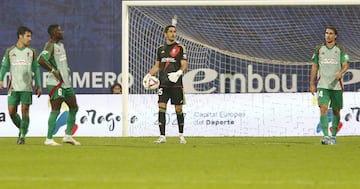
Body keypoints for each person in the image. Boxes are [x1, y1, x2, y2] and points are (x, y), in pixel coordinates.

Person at [143, 25, 187, 144]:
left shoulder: (180, 47)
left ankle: (181, 135)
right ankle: (162, 136)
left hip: (176, 84)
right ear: (165, 34)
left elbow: (184, 64)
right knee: (161, 107)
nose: (173, 34)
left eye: (174, 32)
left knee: (178, 108)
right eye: (171, 32)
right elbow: (157, 66)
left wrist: (178, 73)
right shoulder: (160, 49)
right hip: (163, 84)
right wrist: (148, 75)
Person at [38, 24, 80, 146]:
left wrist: (65, 68)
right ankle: (49, 139)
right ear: (53, 33)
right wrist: (53, 71)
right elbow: (41, 60)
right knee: (55, 109)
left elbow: (59, 62)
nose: (62, 32)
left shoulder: (61, 45)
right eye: (59, 30)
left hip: (66, 83)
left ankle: (68, 136)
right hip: (56, 84)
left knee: (74, 108)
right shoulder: (50, 45)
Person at [0, 26, 42, 144]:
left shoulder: (32, 52)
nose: (30, 39)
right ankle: (24, 128)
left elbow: (36, 69)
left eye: (30, 36)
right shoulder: (10, 51)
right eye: (28, 36)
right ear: (20, 36)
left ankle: (22, 136)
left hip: (26, 87)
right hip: (13, 87)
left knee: (25, 110)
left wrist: (39, 85)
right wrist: (0, 79)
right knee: (12, 112)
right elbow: (4, 66)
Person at [310, 26, 349, 145]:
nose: (328, 35)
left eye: (331, 33)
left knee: (336, 111)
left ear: (335, 36)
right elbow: (315, 66)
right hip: (323, 85)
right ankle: (326, 136)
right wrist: (312, 83)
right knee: (323, 108)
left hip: (336, 86)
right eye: (326, 33)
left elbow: (345, 65)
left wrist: (340, 73)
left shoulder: (340, 49)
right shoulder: (319, 49)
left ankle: (333, 137)